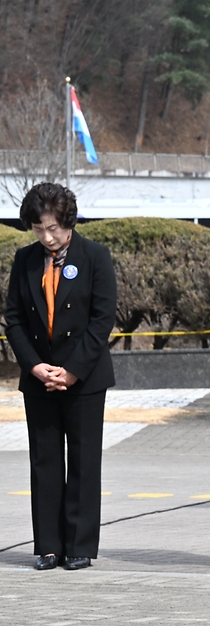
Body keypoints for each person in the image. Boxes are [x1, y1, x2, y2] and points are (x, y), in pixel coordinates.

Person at [5, 183, 117, 571]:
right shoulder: (25, 260)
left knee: (84, 461)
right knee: (45, 460)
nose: (47, 236)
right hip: (40, 377)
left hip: (83, 378)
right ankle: (48, 545)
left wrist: (71, 371)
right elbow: (14, 318)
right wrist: (35, 366)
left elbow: (102, 320)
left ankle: (80, 545)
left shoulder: (96, 257)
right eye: (38, 228)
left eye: (53, 228)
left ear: (69, 222)